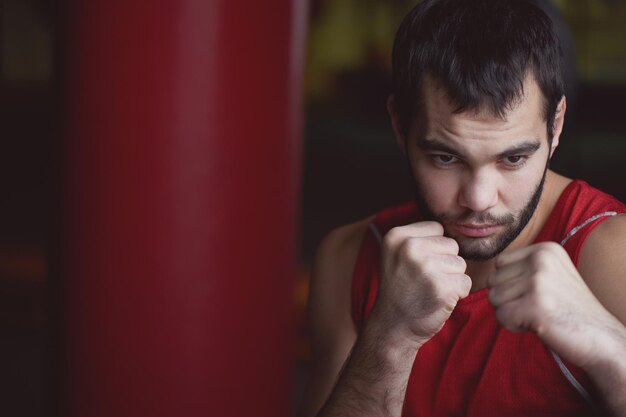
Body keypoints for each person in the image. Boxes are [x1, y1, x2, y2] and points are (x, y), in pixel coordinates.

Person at [298, 0, 626, 416]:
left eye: (513, 159)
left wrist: (604, 342)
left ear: (555, 125)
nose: (478, 198)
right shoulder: (348, 260)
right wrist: (389, 338)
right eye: (446, 158)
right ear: (400, 126)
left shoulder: (612, 255)